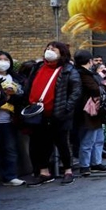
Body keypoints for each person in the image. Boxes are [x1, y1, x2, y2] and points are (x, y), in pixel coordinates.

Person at [24, 42, 81, 186]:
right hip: (39, 113)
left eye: (53, 49)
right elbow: (29, 85)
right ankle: (44, 172)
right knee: (41, 143)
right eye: (47, 48)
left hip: (59, 113)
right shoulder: (38, 67)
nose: (49, 51)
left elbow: (76, 91)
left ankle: (68, 171)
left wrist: (66, 108)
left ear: (62, 53)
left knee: (62, 143)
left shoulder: (68, 69)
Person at [73, 50, 106, 177]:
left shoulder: (86, 73)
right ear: (89, 61)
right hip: (88, 111)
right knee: (88, 140)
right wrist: (105, 87)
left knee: (98, 138)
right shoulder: (82, 74)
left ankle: (96, 163)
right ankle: (85, 165)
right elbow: (95, 89)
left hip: (95, 110)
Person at [0, 50, 25, 186]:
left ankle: (10, 176)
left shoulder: (15, 78)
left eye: (6, 59)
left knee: (10, 148)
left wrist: (11, 96)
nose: (3, 62)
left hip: (8, 120)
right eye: (0, 59)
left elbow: (22, 96)